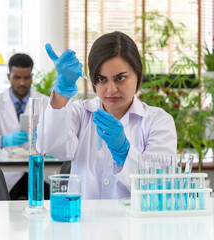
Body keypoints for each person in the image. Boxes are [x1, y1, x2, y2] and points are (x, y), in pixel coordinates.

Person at [42, 31, 177, 199]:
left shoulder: (158, 121)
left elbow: (158, 186)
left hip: (133, 223)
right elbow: (55, 148)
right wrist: (62, 91)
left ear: (138, 75)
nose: (111, 89)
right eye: (102, 79)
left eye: (120, 78)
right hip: (83, 222)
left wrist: (124, 152)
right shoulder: (81, 113)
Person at [0, 53, 49, 151]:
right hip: (5, 163)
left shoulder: (45, 102)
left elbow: (54, 136)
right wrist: (3, 140)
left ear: (32, 77)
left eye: (26, 78)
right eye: (17, 77)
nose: (22, 83)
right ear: (9, 76)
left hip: (35, 161)